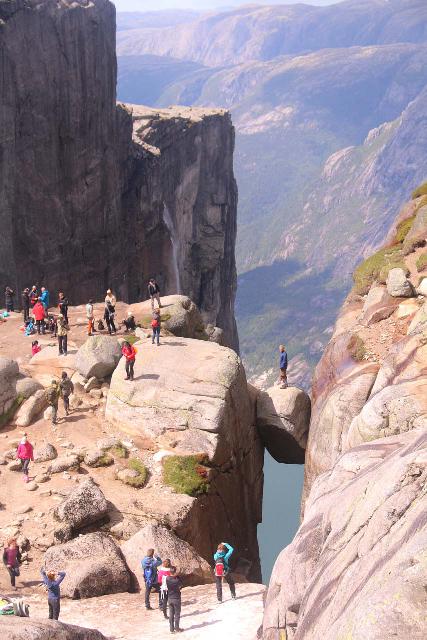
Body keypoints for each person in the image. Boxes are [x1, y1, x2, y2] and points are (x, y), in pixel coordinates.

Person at [166, 567, 183, 634]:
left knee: (171, 614)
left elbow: (170, 577)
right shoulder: (177, 580)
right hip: (176, 598)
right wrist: (177, 576)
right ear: (175, 572)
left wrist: (175, 575)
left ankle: (171, 629)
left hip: (170, 598)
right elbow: (181, 586)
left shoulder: (167, 579)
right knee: (177, 614)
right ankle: (177, 628)